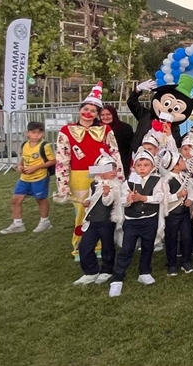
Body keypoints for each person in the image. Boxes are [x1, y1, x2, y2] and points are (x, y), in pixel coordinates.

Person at [54, 82, 124, 260]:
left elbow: (114, 152)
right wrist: (63, 185)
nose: (88, 113)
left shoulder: (105, 129)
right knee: (82, 213)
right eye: (86, 109)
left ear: (97, 114)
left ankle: (101, 246)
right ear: (79, 110)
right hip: (79, 176)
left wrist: (119, 175)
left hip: (103, 175)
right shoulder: (66, 130)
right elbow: (62, 160)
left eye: (93, 111)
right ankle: (80, 246)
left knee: (102, 212)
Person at [109, 148, 166, 297]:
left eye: (146, 165)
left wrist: (143, 198)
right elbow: (121, 200)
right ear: (134, 166)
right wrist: (129, 200)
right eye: (139, 165)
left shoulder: (157, 180)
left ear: (152, 166)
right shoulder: (128, 182)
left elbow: (160, 197)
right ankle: (117, 278)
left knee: (148, 247)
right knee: (127, 249)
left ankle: (144, 271)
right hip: (132, 222)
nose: (142, 168)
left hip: (149, 219)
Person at [73, 153, 121, 285]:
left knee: (108, 247)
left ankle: (107, 270)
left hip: (107, 221)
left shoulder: (116, 185)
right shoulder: (94, 184)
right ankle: (91, 271)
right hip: (92, 220)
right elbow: (92, 197)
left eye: (114, 168)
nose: (112, 171)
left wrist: (106, 194)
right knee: (85, 246)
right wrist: (87, 202)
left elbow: (108, 202)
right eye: (108, 169)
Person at [0, 122, 55, 235]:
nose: (36, 135)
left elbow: (53, 161)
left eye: (39, 132)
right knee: (16, 200)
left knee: (41, 199)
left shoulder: (45, 146)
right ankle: (18, 224)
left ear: (43, 134)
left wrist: (36, 167)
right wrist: (20, 165)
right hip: (24, 178)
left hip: (40, 177)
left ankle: (45, 222)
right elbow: (24, 157)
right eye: (33, 132)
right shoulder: (25, 144)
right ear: (27, 133)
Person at [160, 151, 193, 276]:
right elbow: (164, 199)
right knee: (171, 238)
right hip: (172, 214)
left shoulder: (184, 176)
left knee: (187, 237)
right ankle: (171, 264)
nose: (183, 162)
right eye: (181, 161)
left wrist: (190, 199)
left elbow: (190, 189)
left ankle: (186, 261)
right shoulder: (166, 180)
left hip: (184, 213)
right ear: (175, 165)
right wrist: (178, 195)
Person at [100, 105, 135, 178]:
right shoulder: (97, 129)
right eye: (102, 115)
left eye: (108, 114)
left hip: (122, 161)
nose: (105, 117)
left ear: (114, 114)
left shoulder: (125, 128)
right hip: (102, 162)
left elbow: (130, 147)